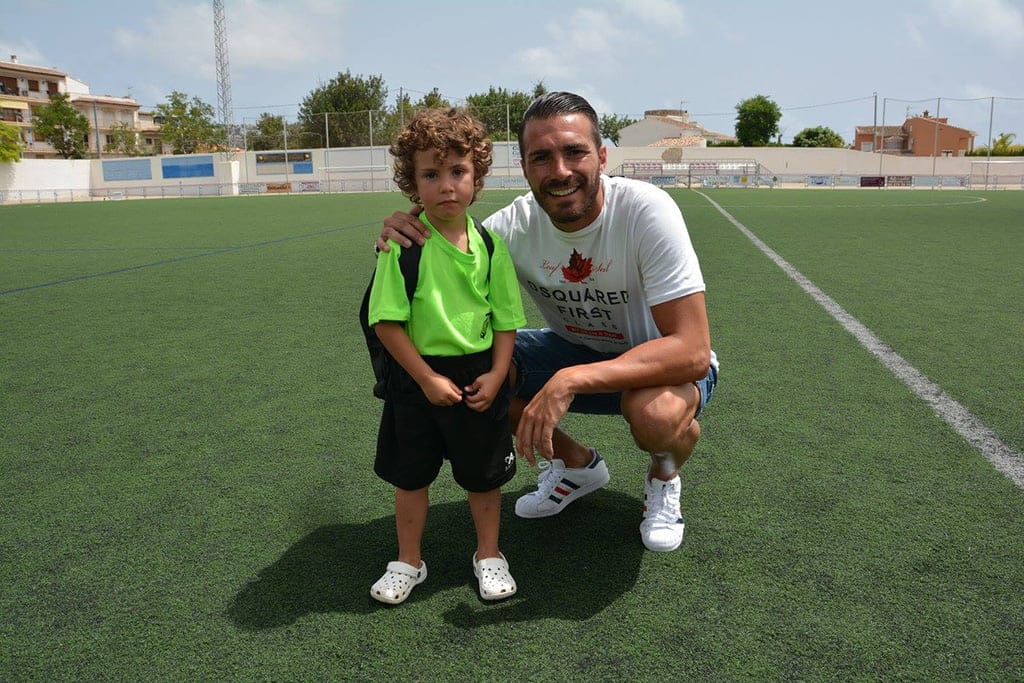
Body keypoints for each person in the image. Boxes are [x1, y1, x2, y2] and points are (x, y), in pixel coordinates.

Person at [378, 92, 718, 553]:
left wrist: (569, 380)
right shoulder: (506, 229)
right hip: (569, 350)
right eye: (541, 158)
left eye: (574, 152)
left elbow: (692, 351)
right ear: (524, 167)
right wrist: (403, 230)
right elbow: (447, 236)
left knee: (655, 416)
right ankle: (578, 465)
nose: (559, 171)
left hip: (659, 367)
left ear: (602, 157)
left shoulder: (644, 210)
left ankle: (664, 475)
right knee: (474, 370)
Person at [367, 108, 526, 604]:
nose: (446, 186)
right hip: (416, 378)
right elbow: (386, 323)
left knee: (484, 478)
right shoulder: (401, 247)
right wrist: (425, 379)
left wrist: (498, 374)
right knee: (410, 477)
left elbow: (505, 320)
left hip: (478, 377)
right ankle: (408, 561)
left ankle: (489, 554)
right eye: (431, 174)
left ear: (477, 176)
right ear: (412, 182)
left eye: (458, 171)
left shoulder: (491, 247)